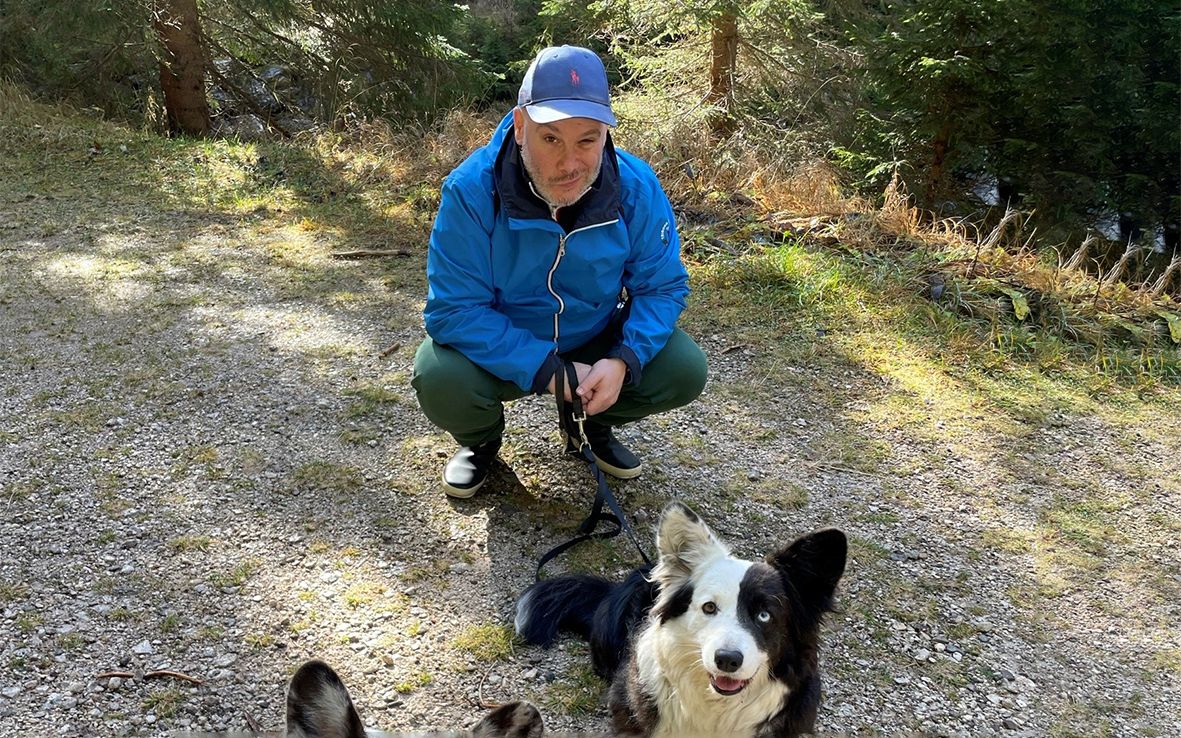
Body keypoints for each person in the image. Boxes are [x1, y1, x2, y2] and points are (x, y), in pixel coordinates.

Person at [412, 45, 708, 498]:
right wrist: (545, 369)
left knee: (683, 368)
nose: (570, 163)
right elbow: (454, 311)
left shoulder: (636, 186)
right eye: (550, 138)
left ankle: (593, 423)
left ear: (606, 134)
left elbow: (662, 287)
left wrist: (621, 360)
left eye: (587, 140)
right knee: (440, 377)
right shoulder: (471, 191)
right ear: (519, 127)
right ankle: (482, 442)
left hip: (593, 335)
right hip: (502, 341)